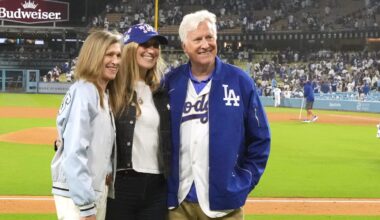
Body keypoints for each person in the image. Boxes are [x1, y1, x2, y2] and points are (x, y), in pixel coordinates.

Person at [164, 10, 271, 220]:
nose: (205, 44)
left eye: (209, 37)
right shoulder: (171, 83)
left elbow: (260, 139)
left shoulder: (240, 81)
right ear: (185, 47)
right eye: (197, 39)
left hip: (224, 206)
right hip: (178, 204)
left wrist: (243, 181)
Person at [51, 30, 123, 220]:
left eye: (118, 55)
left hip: (90, 190)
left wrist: (106, 170)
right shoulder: (86, 92)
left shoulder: (100, 92)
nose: (115, 61)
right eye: (109, 55)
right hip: (78, 195)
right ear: (94, 55)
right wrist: (85, 206)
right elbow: (74, 151)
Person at [105, 23, 171, 220]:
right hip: (122, 185)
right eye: (145, 44)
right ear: (130, 48)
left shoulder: (162, 91)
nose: (151, 50)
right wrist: (63, 141)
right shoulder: (112, 87)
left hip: (158, 187)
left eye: (156, 46)